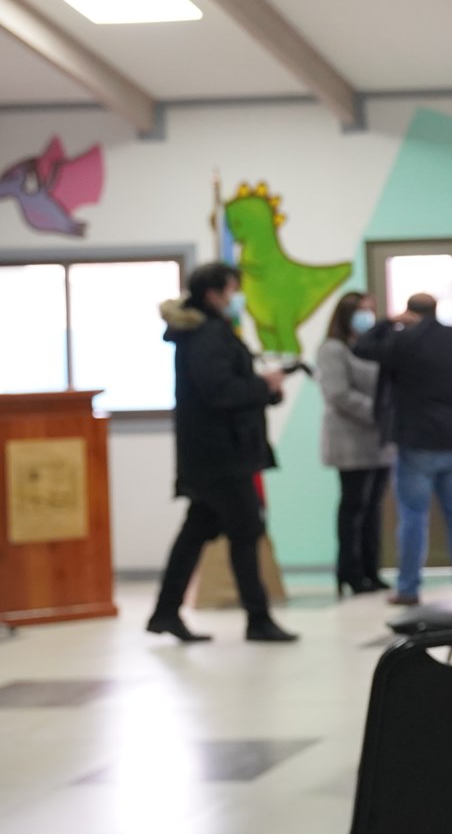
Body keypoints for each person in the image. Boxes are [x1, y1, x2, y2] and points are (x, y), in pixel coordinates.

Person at [146, 262, 299, 644]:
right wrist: (263, 387)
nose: (236, 298)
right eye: (232, 290)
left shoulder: (204, 332)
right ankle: (258, 619)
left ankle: (165, 612)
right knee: (246, 529)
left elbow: (229, 384)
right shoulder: (208, 334)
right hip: (220, 456)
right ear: (214, 293)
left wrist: (265, 388)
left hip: (213, 454)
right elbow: (219, 392)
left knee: (196, 531)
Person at [355, 292, 452, 605]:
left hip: (416, 441)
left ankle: (408, 588)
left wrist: (387, 322)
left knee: (414, 515)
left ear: (409, 312)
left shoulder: (403, 341)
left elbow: (362, 348)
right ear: (435, 310)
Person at [315, 291, 390, 597]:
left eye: (370, 310)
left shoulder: (374, 348)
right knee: (354, 507)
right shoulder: (333, 349)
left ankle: (372, 571)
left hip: (380, 441)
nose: (367, 316)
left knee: (373, 509)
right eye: (360, 311)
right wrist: (378, 412)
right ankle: (350, 571)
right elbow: (337, 393)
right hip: (350, 439)